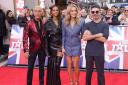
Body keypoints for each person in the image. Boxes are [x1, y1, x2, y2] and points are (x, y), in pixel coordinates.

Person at [82, 5, 109, 85]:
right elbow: (84, 38)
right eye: (93, 12)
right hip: (89, 51)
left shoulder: (105, 25)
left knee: (100, 72)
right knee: (88, 73)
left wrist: (90, 35)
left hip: (99, 52)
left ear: (100, 12)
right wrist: (97, 35)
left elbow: (104, 39)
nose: (95, 13)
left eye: (97, 11)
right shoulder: (87, 24)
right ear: (90, 13)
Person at [62, 4, 85, 85]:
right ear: (69, 12)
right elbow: (63, 35)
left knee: (75, 65)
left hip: (76, 45)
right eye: (72, 11)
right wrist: (62, 46)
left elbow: (84, 33)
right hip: (67, 45)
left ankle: (77, 81)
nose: (74, 12)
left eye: (75, 10)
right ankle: (71, 81)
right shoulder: (64, 21)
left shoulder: (81, 21)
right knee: (69, 66)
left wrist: (80, 36)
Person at [23, 6, 46, 85]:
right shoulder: (29, 23)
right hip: (32, 49)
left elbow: (45, 36)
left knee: (42, 68)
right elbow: (25, 37)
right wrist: (25, 50)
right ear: (33, 12)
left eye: (39, 11)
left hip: (42, 49)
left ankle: (41, 83)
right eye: (36, 11)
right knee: (30, 68)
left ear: (41, 12)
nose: (37, 13)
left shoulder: (43, 23)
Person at [44, 5, 62, 85]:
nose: (55, 12)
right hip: (51, 47)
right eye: (53, 10)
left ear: (59, 11)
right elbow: (45, 38)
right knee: (52, 68)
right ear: (51, 12)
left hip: (60, 47)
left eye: (56, 10)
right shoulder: (48, 22)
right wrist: (47, 51)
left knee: (57, 68)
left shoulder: (62, 21)